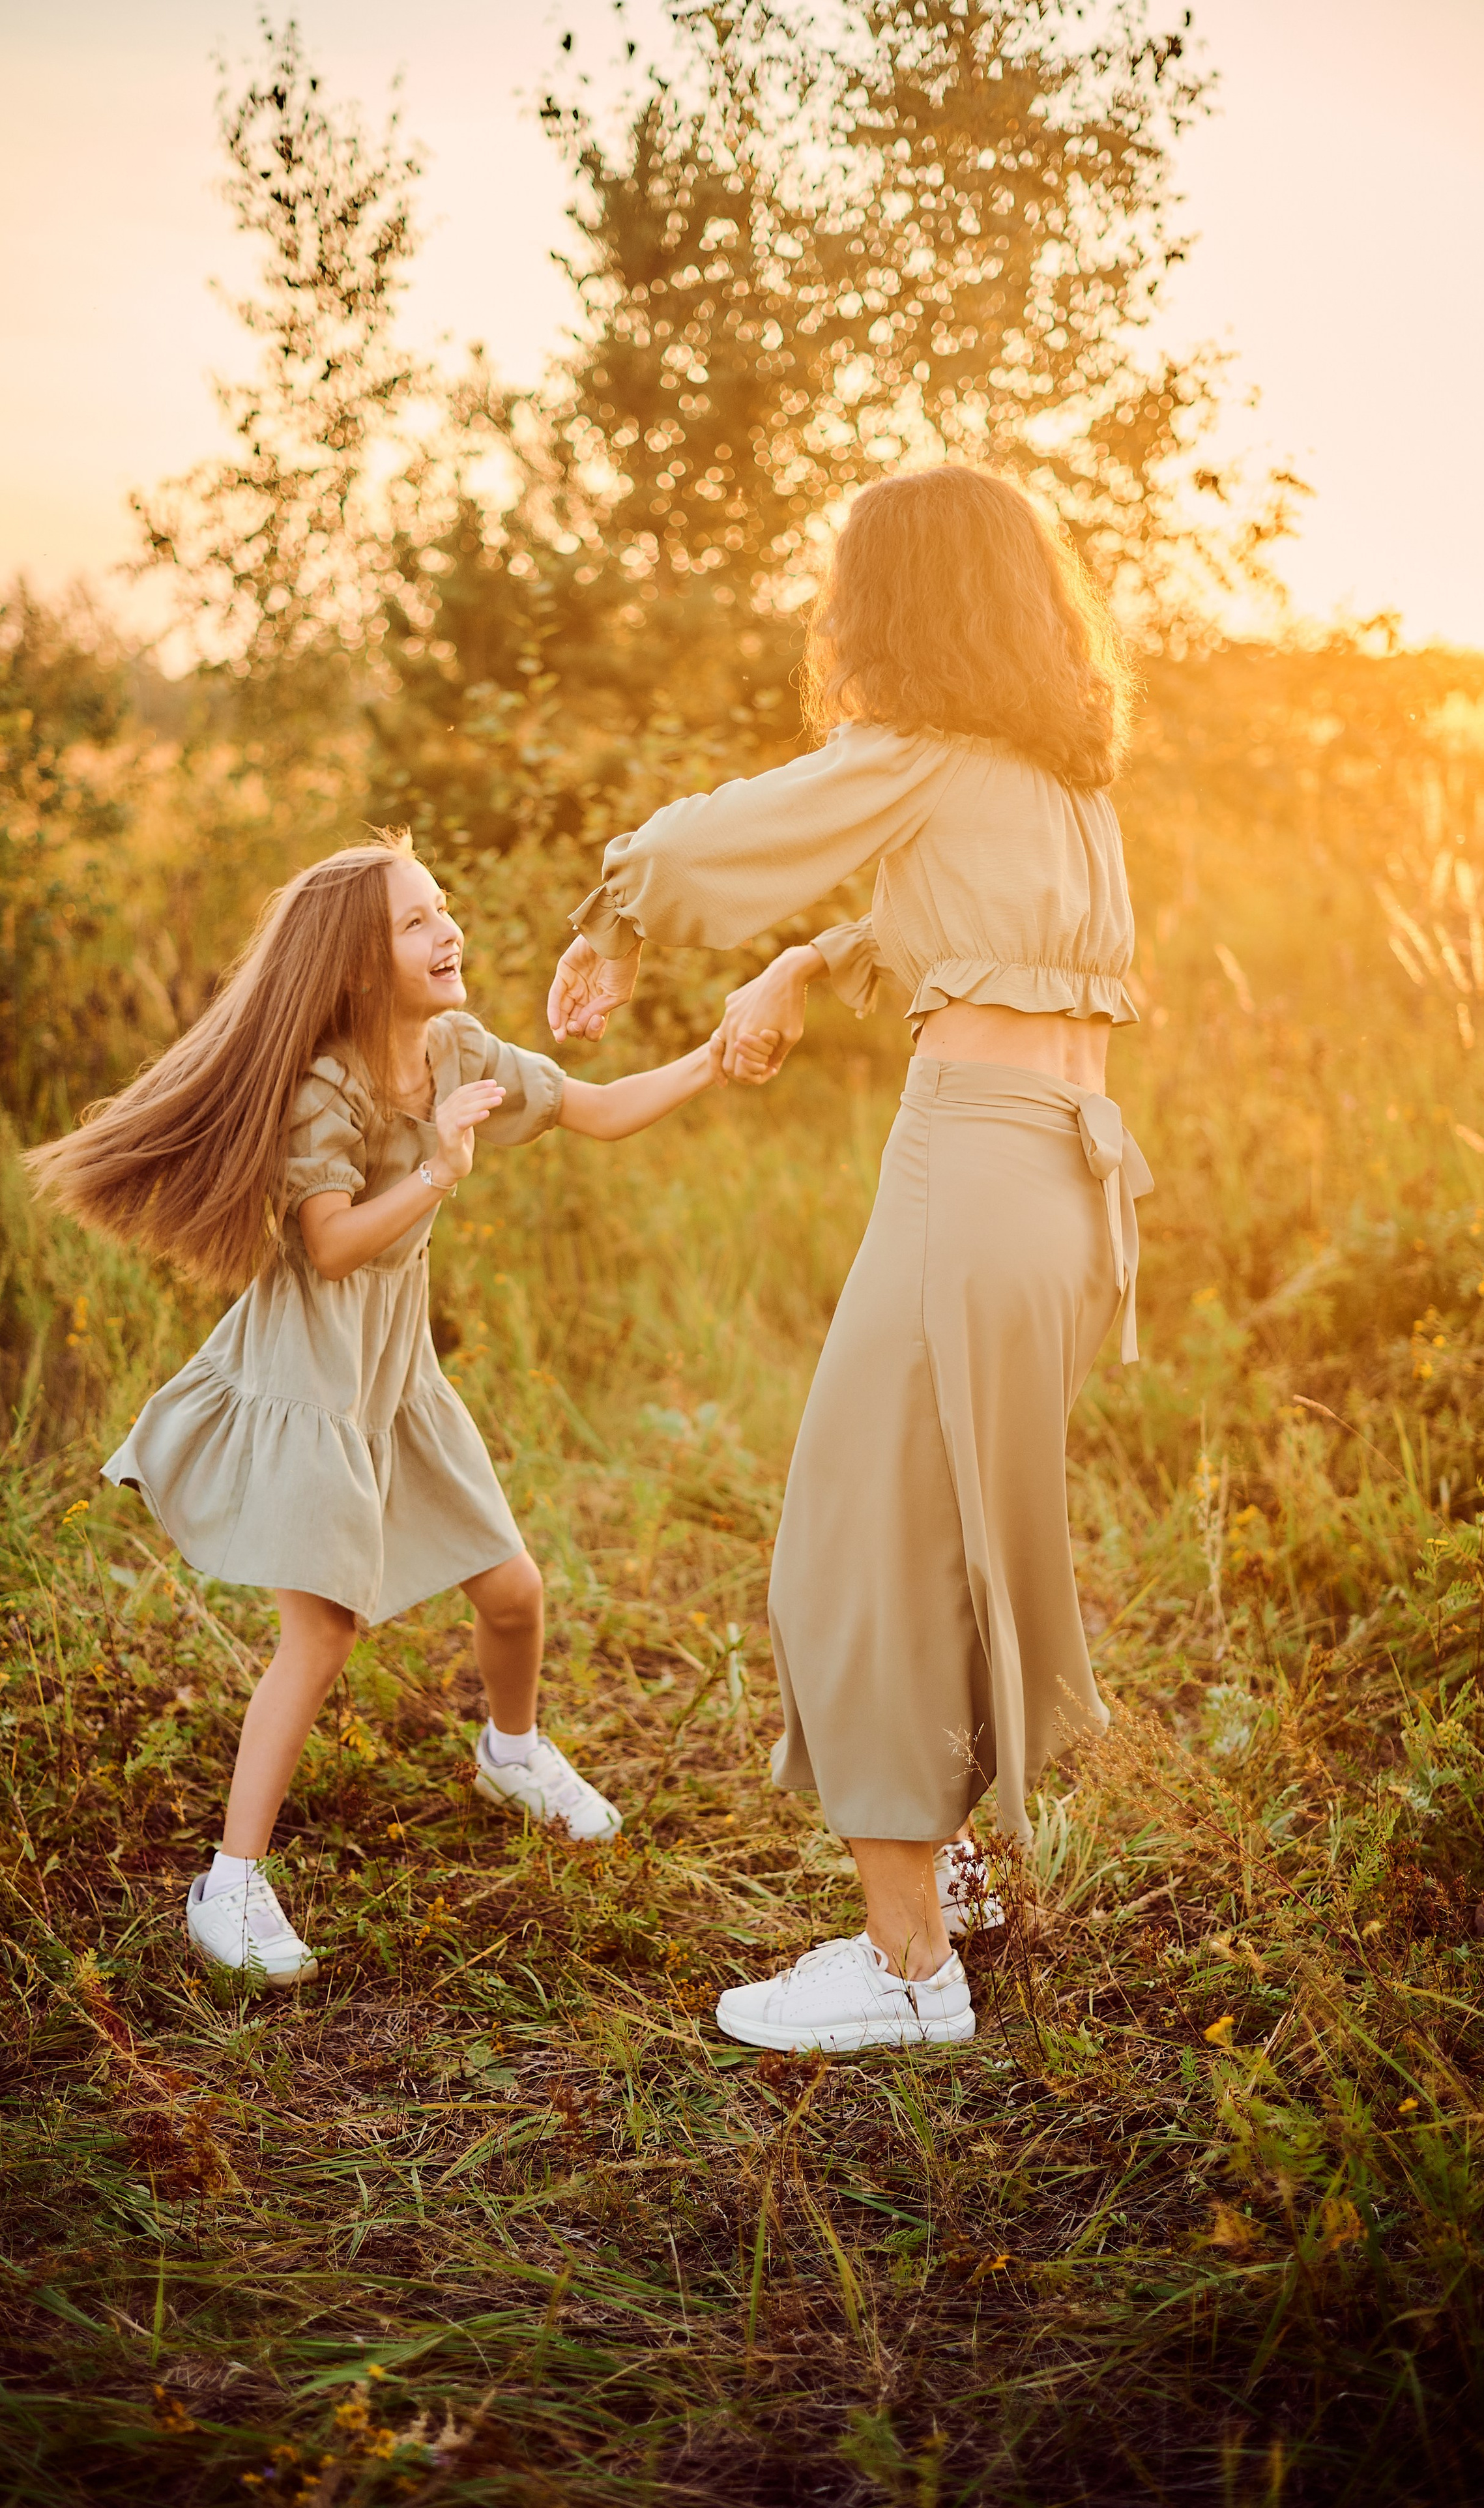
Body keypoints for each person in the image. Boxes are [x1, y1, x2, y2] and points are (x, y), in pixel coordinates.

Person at [549, 466, 1152, 2054]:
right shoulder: (1058, 790)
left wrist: (615, 913)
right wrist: (805, 960)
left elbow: (721, 837)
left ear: (896, 604)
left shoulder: (922, 755)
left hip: (968, 1162)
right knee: (944, 1534)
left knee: (854, 1541)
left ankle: (900, 1971)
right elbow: (948, 929)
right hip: (1073, 1193)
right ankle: (945, 1880)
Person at [29, 830, 727, 1986]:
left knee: (513, 1591)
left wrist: (715, 1056)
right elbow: (334, 1246)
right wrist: (441, 1173)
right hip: (314, 1371)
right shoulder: (327, 1089)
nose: (448, 928)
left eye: (443, 906)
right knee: (326, 1629)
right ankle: (231, 1883)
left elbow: (593, 1109)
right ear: (358, 968)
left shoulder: (455, 1048)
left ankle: (510, 1751)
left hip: (397, 1372)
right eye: (418, 920)